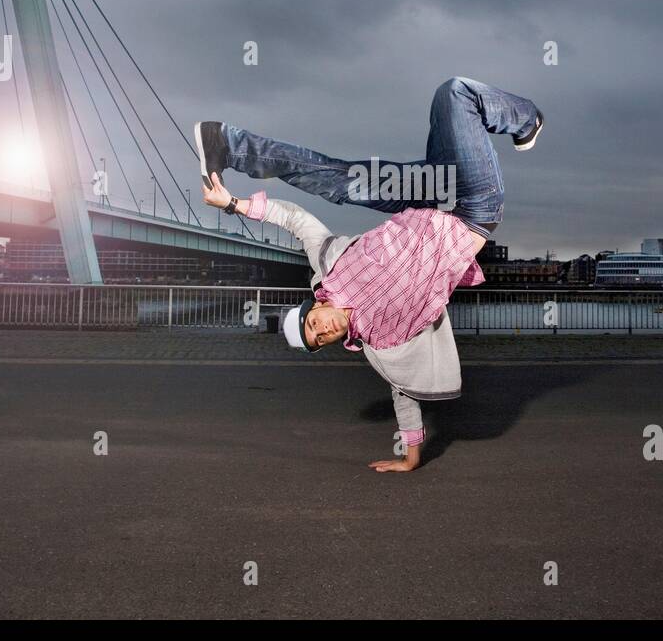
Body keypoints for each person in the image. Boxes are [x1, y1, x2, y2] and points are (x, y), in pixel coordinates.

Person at [194, 77, 543, 472]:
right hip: (474, 211)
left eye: (313, 324)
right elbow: (403, 391)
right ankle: (525, 120)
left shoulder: (330, 263)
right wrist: (410, 458)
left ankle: (227, 144)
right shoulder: (384, 343)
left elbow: (295, 220)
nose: (323, 330)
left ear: (315, 306)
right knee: (458, 95)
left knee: (344, 180)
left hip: (432, 192)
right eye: (320, 339)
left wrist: (234, 204)